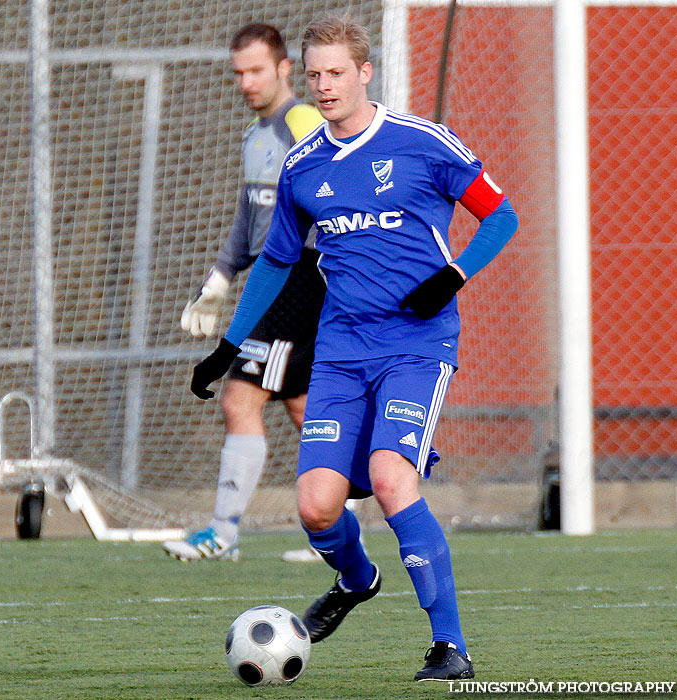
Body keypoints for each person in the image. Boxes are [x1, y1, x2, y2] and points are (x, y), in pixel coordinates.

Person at [189, 15, 519, 682]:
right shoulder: (302, 166)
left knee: (395, 481)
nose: (325, 84)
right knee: (315, 505)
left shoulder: (423, 143)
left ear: (365, 73)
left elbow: (501, 215)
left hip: (416, 345)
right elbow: (279, 263)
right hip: (339, 350)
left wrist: (451, 277)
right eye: (315, 74)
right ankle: (357, 578)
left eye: (337, 72)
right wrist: (227, 348)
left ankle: (450, 647)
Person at [163, 23, 326, 563]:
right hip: (272, 276)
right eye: (238, 72)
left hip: (301, 275)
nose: (246, 82)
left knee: (239, 399)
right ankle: (336, 537)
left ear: (283, 69)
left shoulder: (301, 120)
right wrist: (217, 281)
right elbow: (248, 219)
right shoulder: (255, 137)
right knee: (305, 408)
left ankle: (223, 532)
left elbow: (332, 184)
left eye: (257, 69)